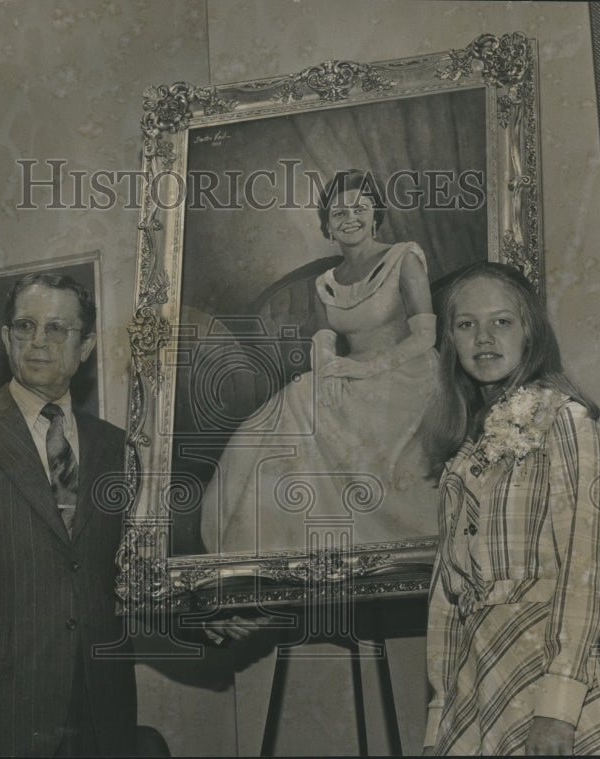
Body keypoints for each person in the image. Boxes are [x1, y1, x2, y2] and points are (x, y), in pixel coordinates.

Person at [199, 169, 439, 756]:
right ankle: (259, 575)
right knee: (283, 421)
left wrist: (364, 370)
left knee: (310, 407)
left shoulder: (405, 258)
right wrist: (328, 356)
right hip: (346, 383)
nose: (350, 218)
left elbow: (425, 337)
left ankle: (297, 571)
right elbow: (330, 338)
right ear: (326, 223)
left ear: (375, 213)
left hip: (402, 381)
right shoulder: (329, 280)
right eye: (338, 212)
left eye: (359, 207)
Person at [0, 272, 137, 757]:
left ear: (86, 348)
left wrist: (205, 613)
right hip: (0, 711)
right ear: (5, 338)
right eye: (25, 326)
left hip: (103, 711)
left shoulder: (117, 448)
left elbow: (131, 576)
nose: (39, 341)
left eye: (58, 329)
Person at [422, 262, 600, 755]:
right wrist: (438, 723)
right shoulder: (463, 450)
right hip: (474, 689)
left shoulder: (567, 423)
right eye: (467, 325)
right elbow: (447, 600)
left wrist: (558, 705)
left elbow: (587, 568)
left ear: (529, 330)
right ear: (451, 339)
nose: (483, 338)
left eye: (501, 321)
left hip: (546, 684)